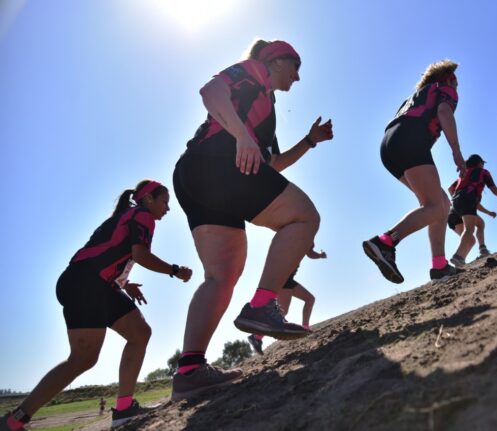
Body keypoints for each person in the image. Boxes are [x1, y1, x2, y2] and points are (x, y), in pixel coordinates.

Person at [172, 39, 333, 400]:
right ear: (275, 60)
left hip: (195, 175)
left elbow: (272, 164)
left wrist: (309, 141)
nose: (298, 77)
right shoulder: (253, 72)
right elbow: (210, 91)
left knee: (222, 275)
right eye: (295, 66)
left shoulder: (265, 107)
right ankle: (262, 305)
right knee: (304, 217)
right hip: (215, 164)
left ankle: (189, 370)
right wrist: (242, 136)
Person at [1, 180, 192, 431]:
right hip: (85, 283)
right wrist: (175, 270)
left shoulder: (127, 216)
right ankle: (13, 421)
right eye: (165, 201)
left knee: (139, 333)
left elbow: (109, 254)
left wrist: (125, 284)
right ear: (148, 199)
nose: (167, 208)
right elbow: (140, 255)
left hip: (97, 284)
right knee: (82, 359)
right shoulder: (142, 215)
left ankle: (124, 408)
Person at [362, 59, 466, 284]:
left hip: (389, 144)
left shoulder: (417, 95)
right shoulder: (445, 89)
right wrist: (456, 151)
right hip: (409, 139)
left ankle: (439, 266)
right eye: (456, 82)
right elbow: (444, 112)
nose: (457, 86)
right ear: (448, 79)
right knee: (435, 206)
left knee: (441, 203)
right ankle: (385, 242)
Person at [248, 245, 326, 355]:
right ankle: (256, 337)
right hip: (284, 278)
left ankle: (305, 328)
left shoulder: (307, 238)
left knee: (310, 299)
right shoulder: (297, 236)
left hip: (289, 279)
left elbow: (310, 253)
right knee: (282, 312)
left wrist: (320, 255)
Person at [448, 155, 497, 267]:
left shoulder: (463, 175)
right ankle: (458, 256)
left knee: (480, 224)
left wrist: (488, 213)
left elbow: (450, 188)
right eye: (483, 163)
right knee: (469, 229)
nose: (483, 165)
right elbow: (493, 187)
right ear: (479, 163)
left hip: (456, 202)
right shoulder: (483, 172)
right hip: (467, 200)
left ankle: (478, 251)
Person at [446, 184, 497, 259]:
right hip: (458, 211)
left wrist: (488, 213)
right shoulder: (468, 182)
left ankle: (460, 260)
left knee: (471, 240)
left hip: (452, 215)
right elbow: (450, 188)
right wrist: (457, 199)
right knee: (479, 225)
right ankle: (482, 248)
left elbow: (476, 204)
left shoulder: (470, 187)